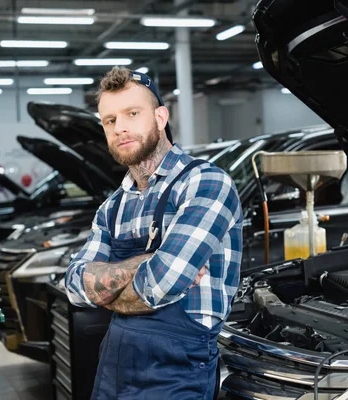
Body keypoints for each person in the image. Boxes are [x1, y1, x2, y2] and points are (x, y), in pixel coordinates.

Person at [64, 66, 243, 399]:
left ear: (161, 117)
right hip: (113, 366)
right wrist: (145, 263)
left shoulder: (205, 183)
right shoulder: (112, 207)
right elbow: (74, 287)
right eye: (110, 120)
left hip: (176, 371)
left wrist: (109, 288)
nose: (121, 127)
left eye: (133, 113)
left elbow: (162, 283)